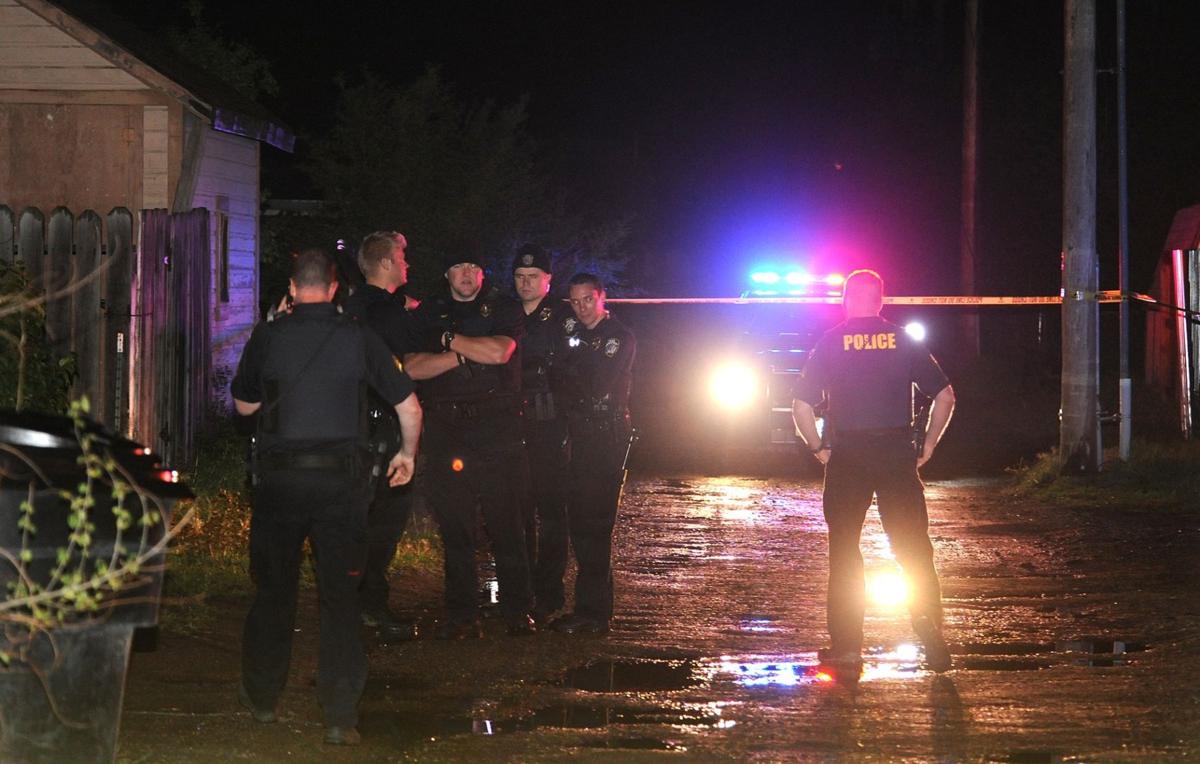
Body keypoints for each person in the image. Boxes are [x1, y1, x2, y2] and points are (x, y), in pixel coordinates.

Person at [231, 248, 422, 746]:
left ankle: (263, 699)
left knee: (275, 590)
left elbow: (244, 406)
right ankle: (340, 716)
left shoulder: (268, 335)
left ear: (293, 289)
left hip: (280, 485)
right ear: (335, 289)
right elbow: (409, 406)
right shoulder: (360, 337)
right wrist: (406, 455)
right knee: (341, 598)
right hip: (342, 487)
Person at [791, 268, 956, 675]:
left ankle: (847, 648)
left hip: (848, 456)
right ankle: (930, 630)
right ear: (881, 301)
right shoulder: (903, 339)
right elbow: (946, 396)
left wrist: (818, 448)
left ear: (846, 300)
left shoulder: (831, 342)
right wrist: (929, 444)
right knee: (913, 548)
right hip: (895, 454)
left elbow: (801, 406)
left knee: (845, 551)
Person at [403, 250, 535, 639]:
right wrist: (463, 356)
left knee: (507, 525)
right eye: (458, 266)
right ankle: (462, 616)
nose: (466, 274)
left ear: (482, 273)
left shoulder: (504, 307)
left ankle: (517, 612)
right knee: (456, 528)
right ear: (446, 273)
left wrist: (447, 342)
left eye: (473, 267)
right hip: (447, 429)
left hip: (497, 428)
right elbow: (413, 367)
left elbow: (499, 352)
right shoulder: (428, 312)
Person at [341, 231, 420, 641]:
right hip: (386, 426)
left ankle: (349, 604)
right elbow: (413, 362)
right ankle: (370, 604)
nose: (407, 264)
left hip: (351, 426)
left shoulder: (350, 306)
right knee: (385, 521)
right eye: (402, 257)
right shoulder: (389, 313)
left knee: (357, 519)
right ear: (386, 263)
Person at [552, 273, 636, 635]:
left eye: (588, 299)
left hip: (605, 436)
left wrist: (569, 369)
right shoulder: (574, 332)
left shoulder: (618, 337)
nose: (581, 307)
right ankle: (590, 609)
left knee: (596, 525)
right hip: (579, 433)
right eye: (575, 301)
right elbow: (557, 375)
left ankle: (594, 614)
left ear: (602, 298)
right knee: (580, 522)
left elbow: (595, 384)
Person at [511, 244, 572, 625]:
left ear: (548, 279)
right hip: (512, 422)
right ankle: (520, 591)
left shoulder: (564, 318)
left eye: (533, 277)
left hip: (550, 422)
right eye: (520, 277)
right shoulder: (505, 313)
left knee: (551, 512)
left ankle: (548, 593)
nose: (526, 284)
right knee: (516, 510)